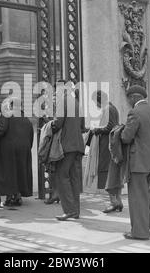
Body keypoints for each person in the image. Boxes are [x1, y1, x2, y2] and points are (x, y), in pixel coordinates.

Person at [120, 85, 150, 240]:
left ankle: (139, 232)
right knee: (144, 192)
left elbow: (126, 137)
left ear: (134, 97)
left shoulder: (135, 113)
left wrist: (120, 131)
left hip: (138, 162)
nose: (128, 101)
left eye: (129, 98)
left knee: (137, 197)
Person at [0, 97, 34, 207]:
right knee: (20, 172)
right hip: (25, 147)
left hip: (9, 147)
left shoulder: (7, 115)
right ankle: (18, 196)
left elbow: (0, 129)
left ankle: (12, 197)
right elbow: (30, 133)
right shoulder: (25, 117)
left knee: (10, 172)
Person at [52, 81, 86, 221]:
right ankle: (75, 211)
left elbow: (58, 123)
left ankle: (69, 211)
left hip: (66, 146)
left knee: (62, 176)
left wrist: (50, 124)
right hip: (78, 145)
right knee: (74, 178)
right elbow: (83, 126)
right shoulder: (77, 103)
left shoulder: (63, 102)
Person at [85, 90, 123, 213]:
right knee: (111, 174)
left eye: (94, 101)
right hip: (109, 144)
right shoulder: (111, 108)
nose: (95, 104)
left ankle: (114, 202)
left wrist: (96, 130)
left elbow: (109, 127)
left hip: (107, 146)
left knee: (108, 174)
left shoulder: (108, 109)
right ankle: (117, 201)